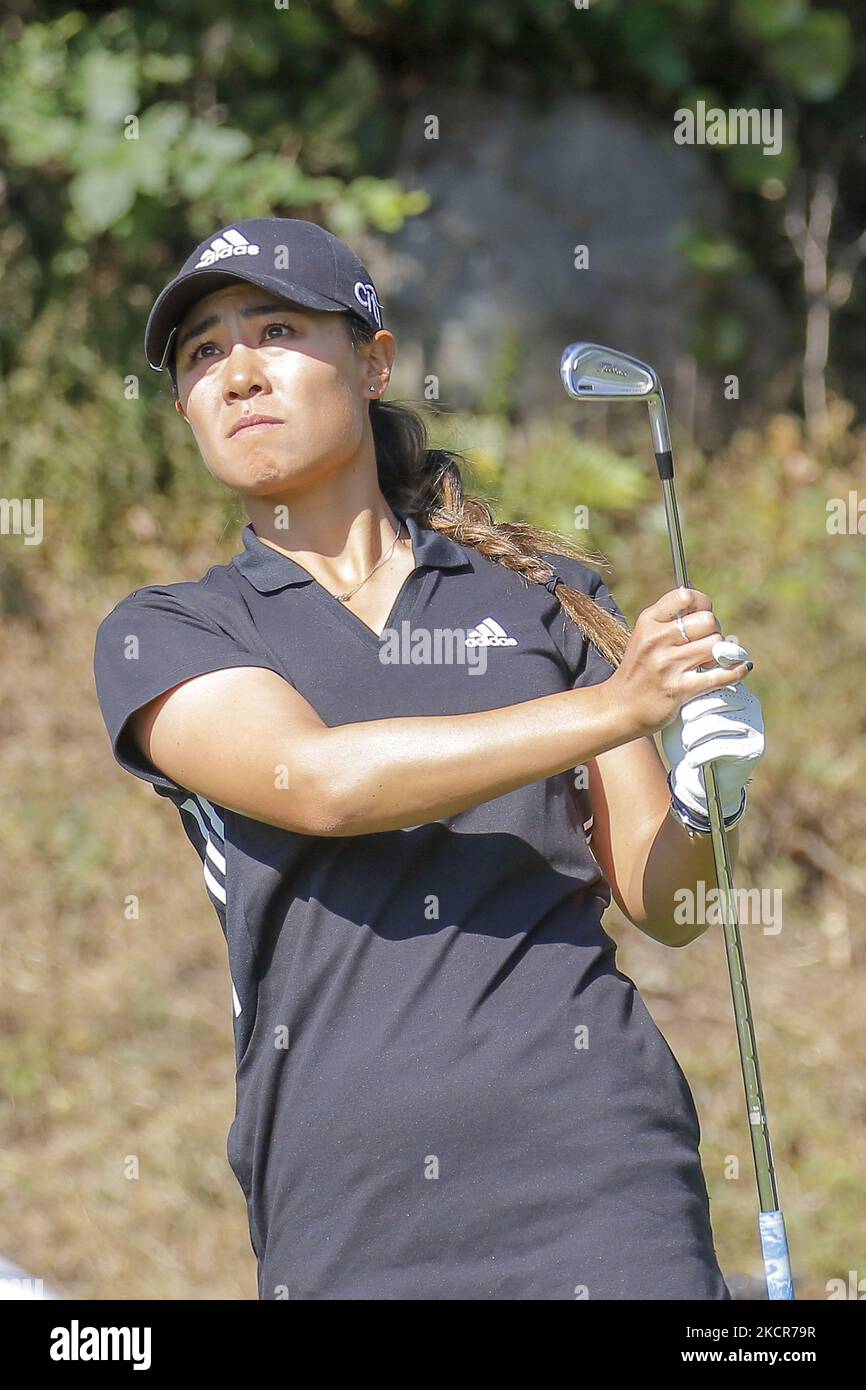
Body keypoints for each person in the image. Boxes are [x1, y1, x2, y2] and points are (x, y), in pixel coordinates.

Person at [93, 218, 764, 1301]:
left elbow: (664, 899)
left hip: (599, 1177)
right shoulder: (167, 630)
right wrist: (618, 706)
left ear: (372, 360)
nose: (238, 371)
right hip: (344, 1210)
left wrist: (709, 803)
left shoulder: (539, 594)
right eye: (202, 353)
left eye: (274, 330)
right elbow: (319, 783)